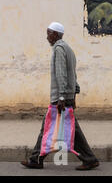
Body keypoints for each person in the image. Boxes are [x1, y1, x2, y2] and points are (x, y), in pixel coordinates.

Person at [20, 22, 99, 171]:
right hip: (67, 96)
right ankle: (36, 158)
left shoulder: (58, 49)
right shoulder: (69, 49)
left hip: (60, 97)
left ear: (56, 34)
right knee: (59, 127)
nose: (47, 37)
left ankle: (88, 159)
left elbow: (62, 73)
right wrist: (73, 94)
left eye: (49, 33)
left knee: (53, 127)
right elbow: (73, 75)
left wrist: (62, 97)